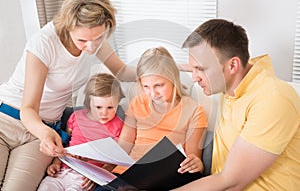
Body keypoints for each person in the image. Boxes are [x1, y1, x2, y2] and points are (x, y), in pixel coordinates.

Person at [0, 0, 136, 190]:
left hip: (41, 134)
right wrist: (45, 133)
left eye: (98, 39)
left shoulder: (94, 38)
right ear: (68, 27)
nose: (91, 47)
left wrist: (169, 68)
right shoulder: (44, 43)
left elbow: (123, 71)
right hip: (8, 121)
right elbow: (28, 108)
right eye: (82, 41)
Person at [173, 18, 300, 190]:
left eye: (200, 69)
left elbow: (231, 182)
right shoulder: (233, 81)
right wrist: (167, 65)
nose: (195, 77)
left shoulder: (273, 98)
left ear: (233, 65)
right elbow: (215, 64)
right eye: (192, 68)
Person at [94, 46, 208, 191]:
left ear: (173, 79)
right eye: (146, 86)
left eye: (159, 85)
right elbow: (123, 147)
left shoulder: (194, 111)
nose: (152, 93)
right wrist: (100, 170)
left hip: (161, 180)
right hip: (126, 175)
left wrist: (196, 163)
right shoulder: (137, 103)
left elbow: (192, 160)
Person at [37, 73, 124, 191]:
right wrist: (56, 162)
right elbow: (65, 145)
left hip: (85, 177)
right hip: (62, 170)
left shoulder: (118, 126)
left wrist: (98, 176)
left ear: (118, 102)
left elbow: (115, 159)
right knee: (45, 187)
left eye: (110, 107)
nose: (104, 113)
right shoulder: (76, 117)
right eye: (98, 107)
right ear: (89, 102)